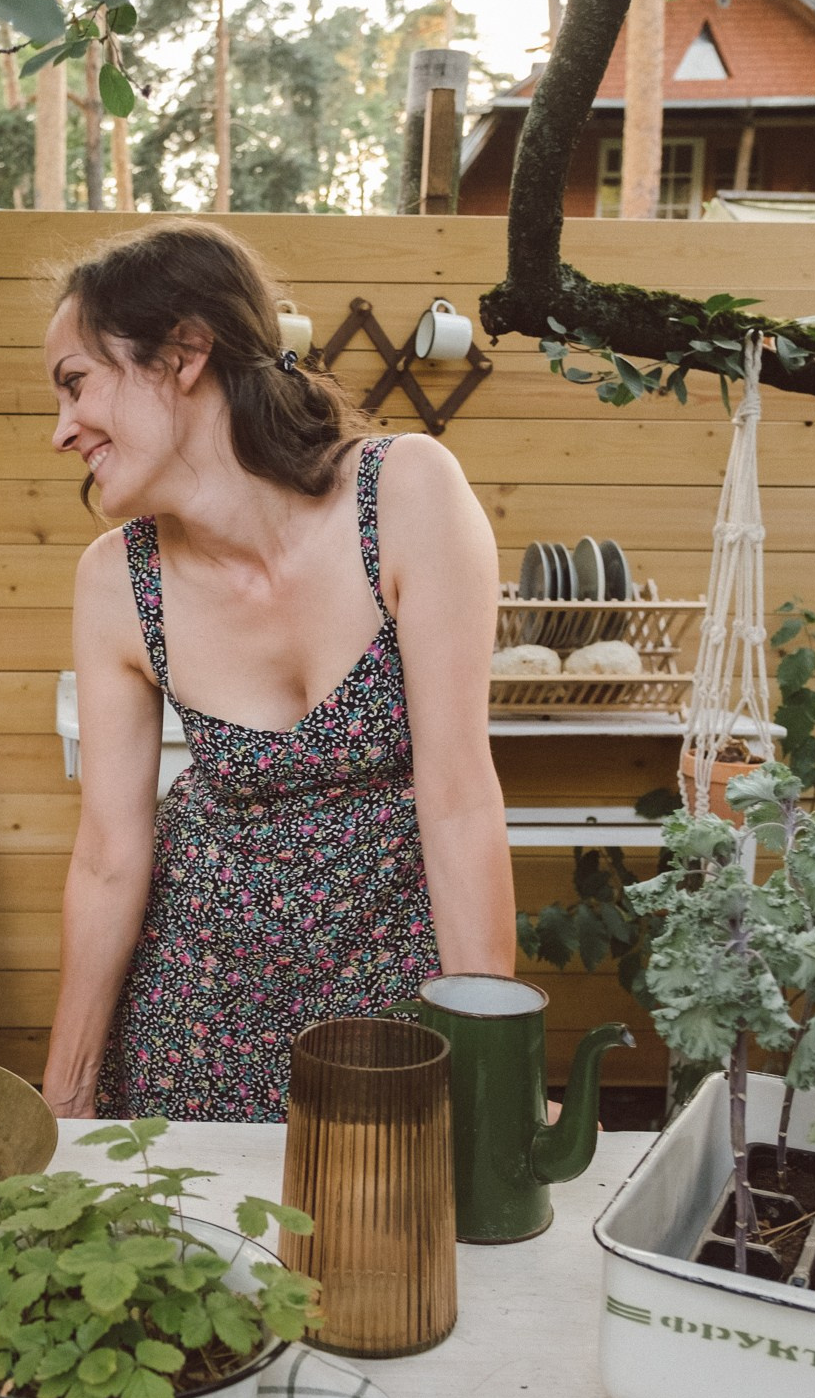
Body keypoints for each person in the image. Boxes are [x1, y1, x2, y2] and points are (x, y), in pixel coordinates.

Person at [40, 221, 516, 1122]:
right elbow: (108, 858)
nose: (61, 431)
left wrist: (495, 1070)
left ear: (184, 352)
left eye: (77, 384)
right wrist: (62, 1107)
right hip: (195, 1000)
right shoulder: (114, 580)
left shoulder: (406, 494)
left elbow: (457, 800)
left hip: (394, 992)